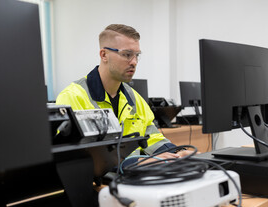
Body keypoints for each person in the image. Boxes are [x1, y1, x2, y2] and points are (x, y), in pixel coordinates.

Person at [56, 24, 192, 161]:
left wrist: (177, 153)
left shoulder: (134, 98)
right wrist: (138, 163)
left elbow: (152, 137)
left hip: (133, 174)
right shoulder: (72, 97)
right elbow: (77, 157)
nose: (134, 62)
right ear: (104, 55)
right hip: (99, 181)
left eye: (137, 55)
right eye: (127, 54)